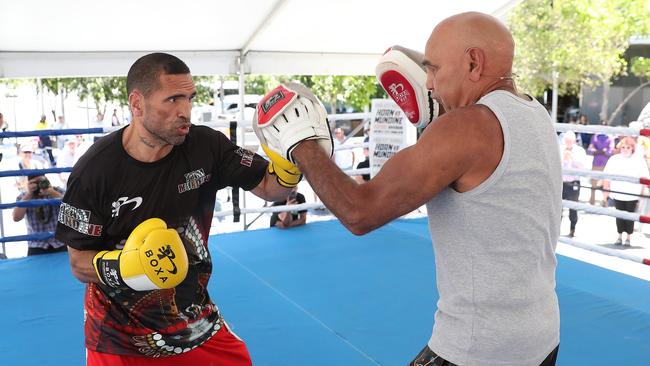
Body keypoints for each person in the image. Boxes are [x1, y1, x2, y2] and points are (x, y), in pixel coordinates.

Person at [256, 12, 561, 366]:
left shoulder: (467, 127)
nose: (429, 84)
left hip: (478, 347)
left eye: (434, 69)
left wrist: (302, 141)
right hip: (540, 335)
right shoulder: (534, 112)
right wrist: (441, 120)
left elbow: (360, 212)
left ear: (473, 63)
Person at [54, 52, 293, 366]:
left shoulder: (207, 146)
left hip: (192, 318)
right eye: (173, 100)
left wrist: (292, 156)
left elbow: (272, 189)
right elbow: (78, 263)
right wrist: (129, 266)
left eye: (190, 98)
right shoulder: (95, 171)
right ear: (137, 103)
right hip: (118, 333)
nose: (185, 111)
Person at [602, 137, 650, 246]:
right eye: (623, 147)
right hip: (618, 193)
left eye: (628, 147)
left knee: (630, 216)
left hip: (633, 194)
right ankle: (619, 236)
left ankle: (628, 237)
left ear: (632, 148)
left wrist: (641, 193)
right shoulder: (614, 159)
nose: (625, 149)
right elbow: (606, 176)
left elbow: (644, 177)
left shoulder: (638, 160)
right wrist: (606, 192)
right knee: (619, 215)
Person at [13, 174, 66, 256]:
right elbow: (16, 218)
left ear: (47, 180)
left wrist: (52, 193)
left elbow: (72, 209)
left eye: (41, 181)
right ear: (29, 184)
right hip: (36, 245)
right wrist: (29, 194)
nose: (39, 185)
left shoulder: (57, 191)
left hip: (59, 242)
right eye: (35, 183)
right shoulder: (24, 196)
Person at [560, 131, 587, 238]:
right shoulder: (560, 149)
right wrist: (563, 158)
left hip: (574, 183)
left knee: (573, 207)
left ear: (574, 141)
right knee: (558, 208)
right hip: (561, 182)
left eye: (570, 141)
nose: (568, 143)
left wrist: (572, 158)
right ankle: (556, 230)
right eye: (566, 140)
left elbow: (582, 166)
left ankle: (572, 229)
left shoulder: (579, 151)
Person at [587, 127, 614, 205]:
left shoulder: (610, 138)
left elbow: (610, 151)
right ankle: (592, 200)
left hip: (606, 164)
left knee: (606, 184)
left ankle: (605, 201)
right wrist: (602, 151)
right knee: (593, 183)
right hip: (596, 163)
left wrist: (597, 151)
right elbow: (590, 150)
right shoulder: (595, 136)